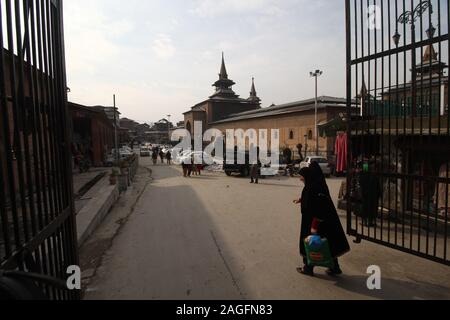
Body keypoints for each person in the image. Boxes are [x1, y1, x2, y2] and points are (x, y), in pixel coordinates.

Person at [294, 162, 350, 277]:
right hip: (325, 222)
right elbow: (310, 199)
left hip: (315, 222)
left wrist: (314, 226)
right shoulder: (318, 184)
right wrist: (301, 199)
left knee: (312, 243)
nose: (301, 179)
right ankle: (335, 267)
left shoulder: (315, 187)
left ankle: (308, 268)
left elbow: (319, 206)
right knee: (327, 244)